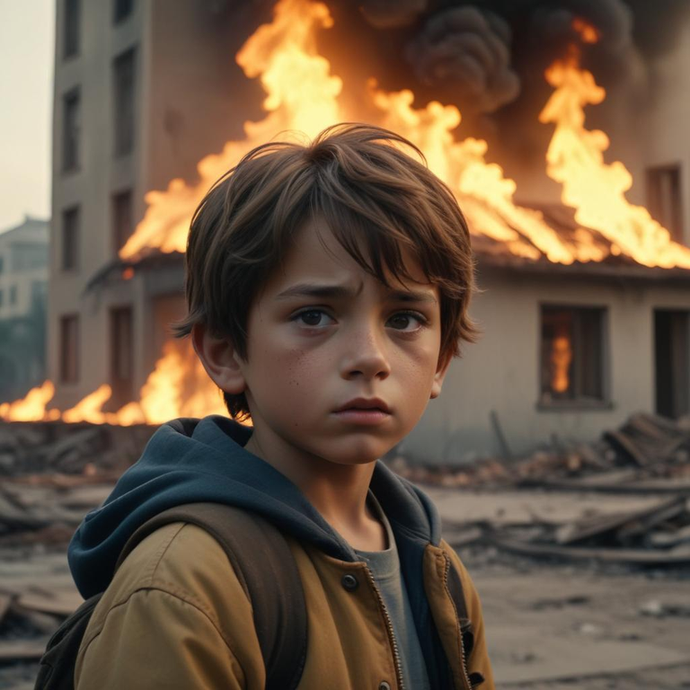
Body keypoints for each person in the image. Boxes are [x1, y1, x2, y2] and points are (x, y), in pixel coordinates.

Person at [69, 123, 494, 689]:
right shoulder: (182, 589)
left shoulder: (441, 578)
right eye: (314, 315)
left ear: (440, 361)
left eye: (404, 319)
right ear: (226, 353)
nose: (370, 358)